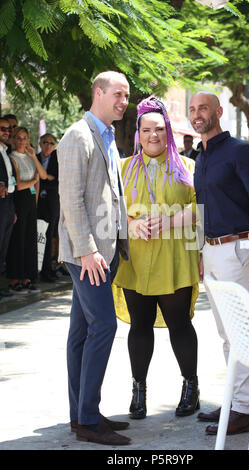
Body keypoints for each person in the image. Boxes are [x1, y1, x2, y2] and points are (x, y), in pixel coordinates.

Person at [189, 92, 249, 435]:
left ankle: (244, 409)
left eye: (203, 108)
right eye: (192, 109)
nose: (197, 114)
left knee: (239, 330)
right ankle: (238, 403)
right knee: (227, 332)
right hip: (211, 250)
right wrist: (198, 251)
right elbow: (202, 209)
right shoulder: (200, 157)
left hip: (237, 247)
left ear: (218, 112)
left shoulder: (240, 150)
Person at [113, 97, 200, 420]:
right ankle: (139, 390)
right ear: (138, 132)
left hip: (176, 260)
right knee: (139, 325)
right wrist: (131, 223)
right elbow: (108, 210)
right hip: (135, 261)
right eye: (147, 130)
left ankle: (191, 387)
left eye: (160, 129)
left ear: (169, 132)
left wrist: (171, 221)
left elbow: (202, 211)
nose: (153, 136)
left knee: (180, 324)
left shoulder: (188, 168)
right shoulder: (122, 169)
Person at [57, 70, 131, 446]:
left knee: (81, 333)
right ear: (98, 93)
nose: (123, 101)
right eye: (118, 94)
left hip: (104, 250)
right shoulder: (77, 136)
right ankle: (87, 420)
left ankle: (81, 415)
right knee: (104, 326)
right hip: (88, 255)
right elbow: (70, 199)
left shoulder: (107, 135)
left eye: (127, 96)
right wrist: (86, 250)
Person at [6, 127, 45, 294]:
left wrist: (34, 200)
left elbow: (40, 178)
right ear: (14, 140)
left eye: (25, 138)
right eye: (19, 138)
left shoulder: (31, 158)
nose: (22, 141)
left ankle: (28, 278)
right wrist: (32, 182)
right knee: (18, 241)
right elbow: (19, 185)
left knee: (30, 241)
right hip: (18, 201)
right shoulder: (11, 158)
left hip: (30, 202)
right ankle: (15, 279)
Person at [37, 134, 60, 282]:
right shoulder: (35, 158)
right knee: (36, 238)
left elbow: (57, 181)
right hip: (36, 204)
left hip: (51, 205)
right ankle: (34, 271)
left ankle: (47, 270)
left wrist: (43, 179)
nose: (48, 146)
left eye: (52, 143)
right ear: (40, 143)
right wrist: (47, 178)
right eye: (45, 142)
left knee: (49, 238)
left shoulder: (57, 161)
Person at [0, 117, 16, 300]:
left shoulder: (6, 151)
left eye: (8, 129)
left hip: (8, 205)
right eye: (2, 129)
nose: (7, 132)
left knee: (3, 248)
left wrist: (13, 210)